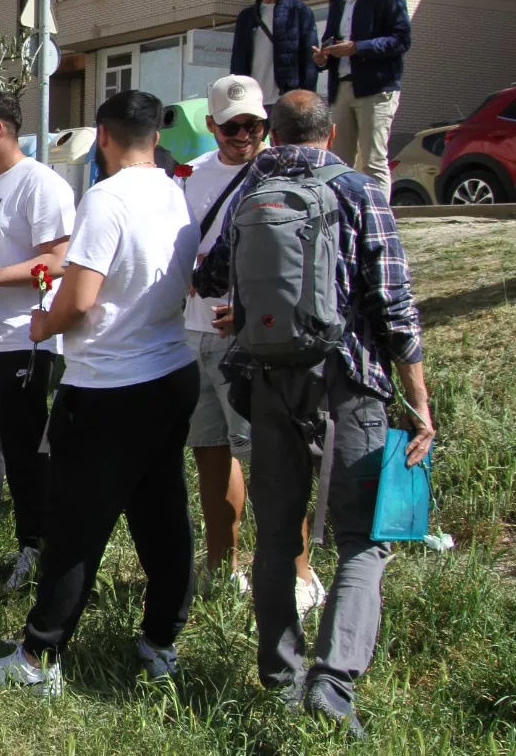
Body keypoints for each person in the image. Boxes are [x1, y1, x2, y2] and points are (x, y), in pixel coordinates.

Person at [194, 90, 434, 739]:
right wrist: (419, 400)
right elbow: (395, 304)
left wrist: (248, 312)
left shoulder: (250, 193)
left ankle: (280, 675)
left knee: (276, 532)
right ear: (330, 137)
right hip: (347, 384)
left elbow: (213, 276)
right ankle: (332, 681)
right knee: (363, 538)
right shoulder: (358, 191)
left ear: (273, 134)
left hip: (268, 380)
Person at [0, 90, 199, 695]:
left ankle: (37, 657)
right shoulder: (175, 193)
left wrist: (40, 324)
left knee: (74, 525)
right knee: (162, 515)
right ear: (154, 135)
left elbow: (78, 300)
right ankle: (160, 640)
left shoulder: (106, 197)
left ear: (102, 136)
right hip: (171, 371)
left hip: (108, 383)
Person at [177, 76, 327, 615]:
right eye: (234, 125)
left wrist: (245, 311)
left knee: (269, 459)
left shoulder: (284, 173)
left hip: (254, 339)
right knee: (210, 452)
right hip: (194, 332)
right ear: (212, 124)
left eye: (255, 125)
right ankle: (222, 567)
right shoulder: (190, 176)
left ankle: (299, 571)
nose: (245, 135)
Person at [0, 92, 75, 589]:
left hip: (23, 338)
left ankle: (33, 546)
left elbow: (60, 260)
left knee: (24, 448)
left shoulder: (41, 184)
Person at [313, 0, 412, 196]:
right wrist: (324, 56)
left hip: (376, 89)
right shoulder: (338, 2)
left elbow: (402, 40)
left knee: (372, 161)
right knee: (339, 162)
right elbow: (334, 40)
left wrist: (358, 47)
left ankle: (378, 223)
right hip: (342, 87)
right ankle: (345, 220)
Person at [230, 0, 319, 104]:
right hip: (253, 100)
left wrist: (307, 98)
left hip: (288, 99)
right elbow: (238, 61)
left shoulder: (300, 12)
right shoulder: (247, 17)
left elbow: (309, 60)